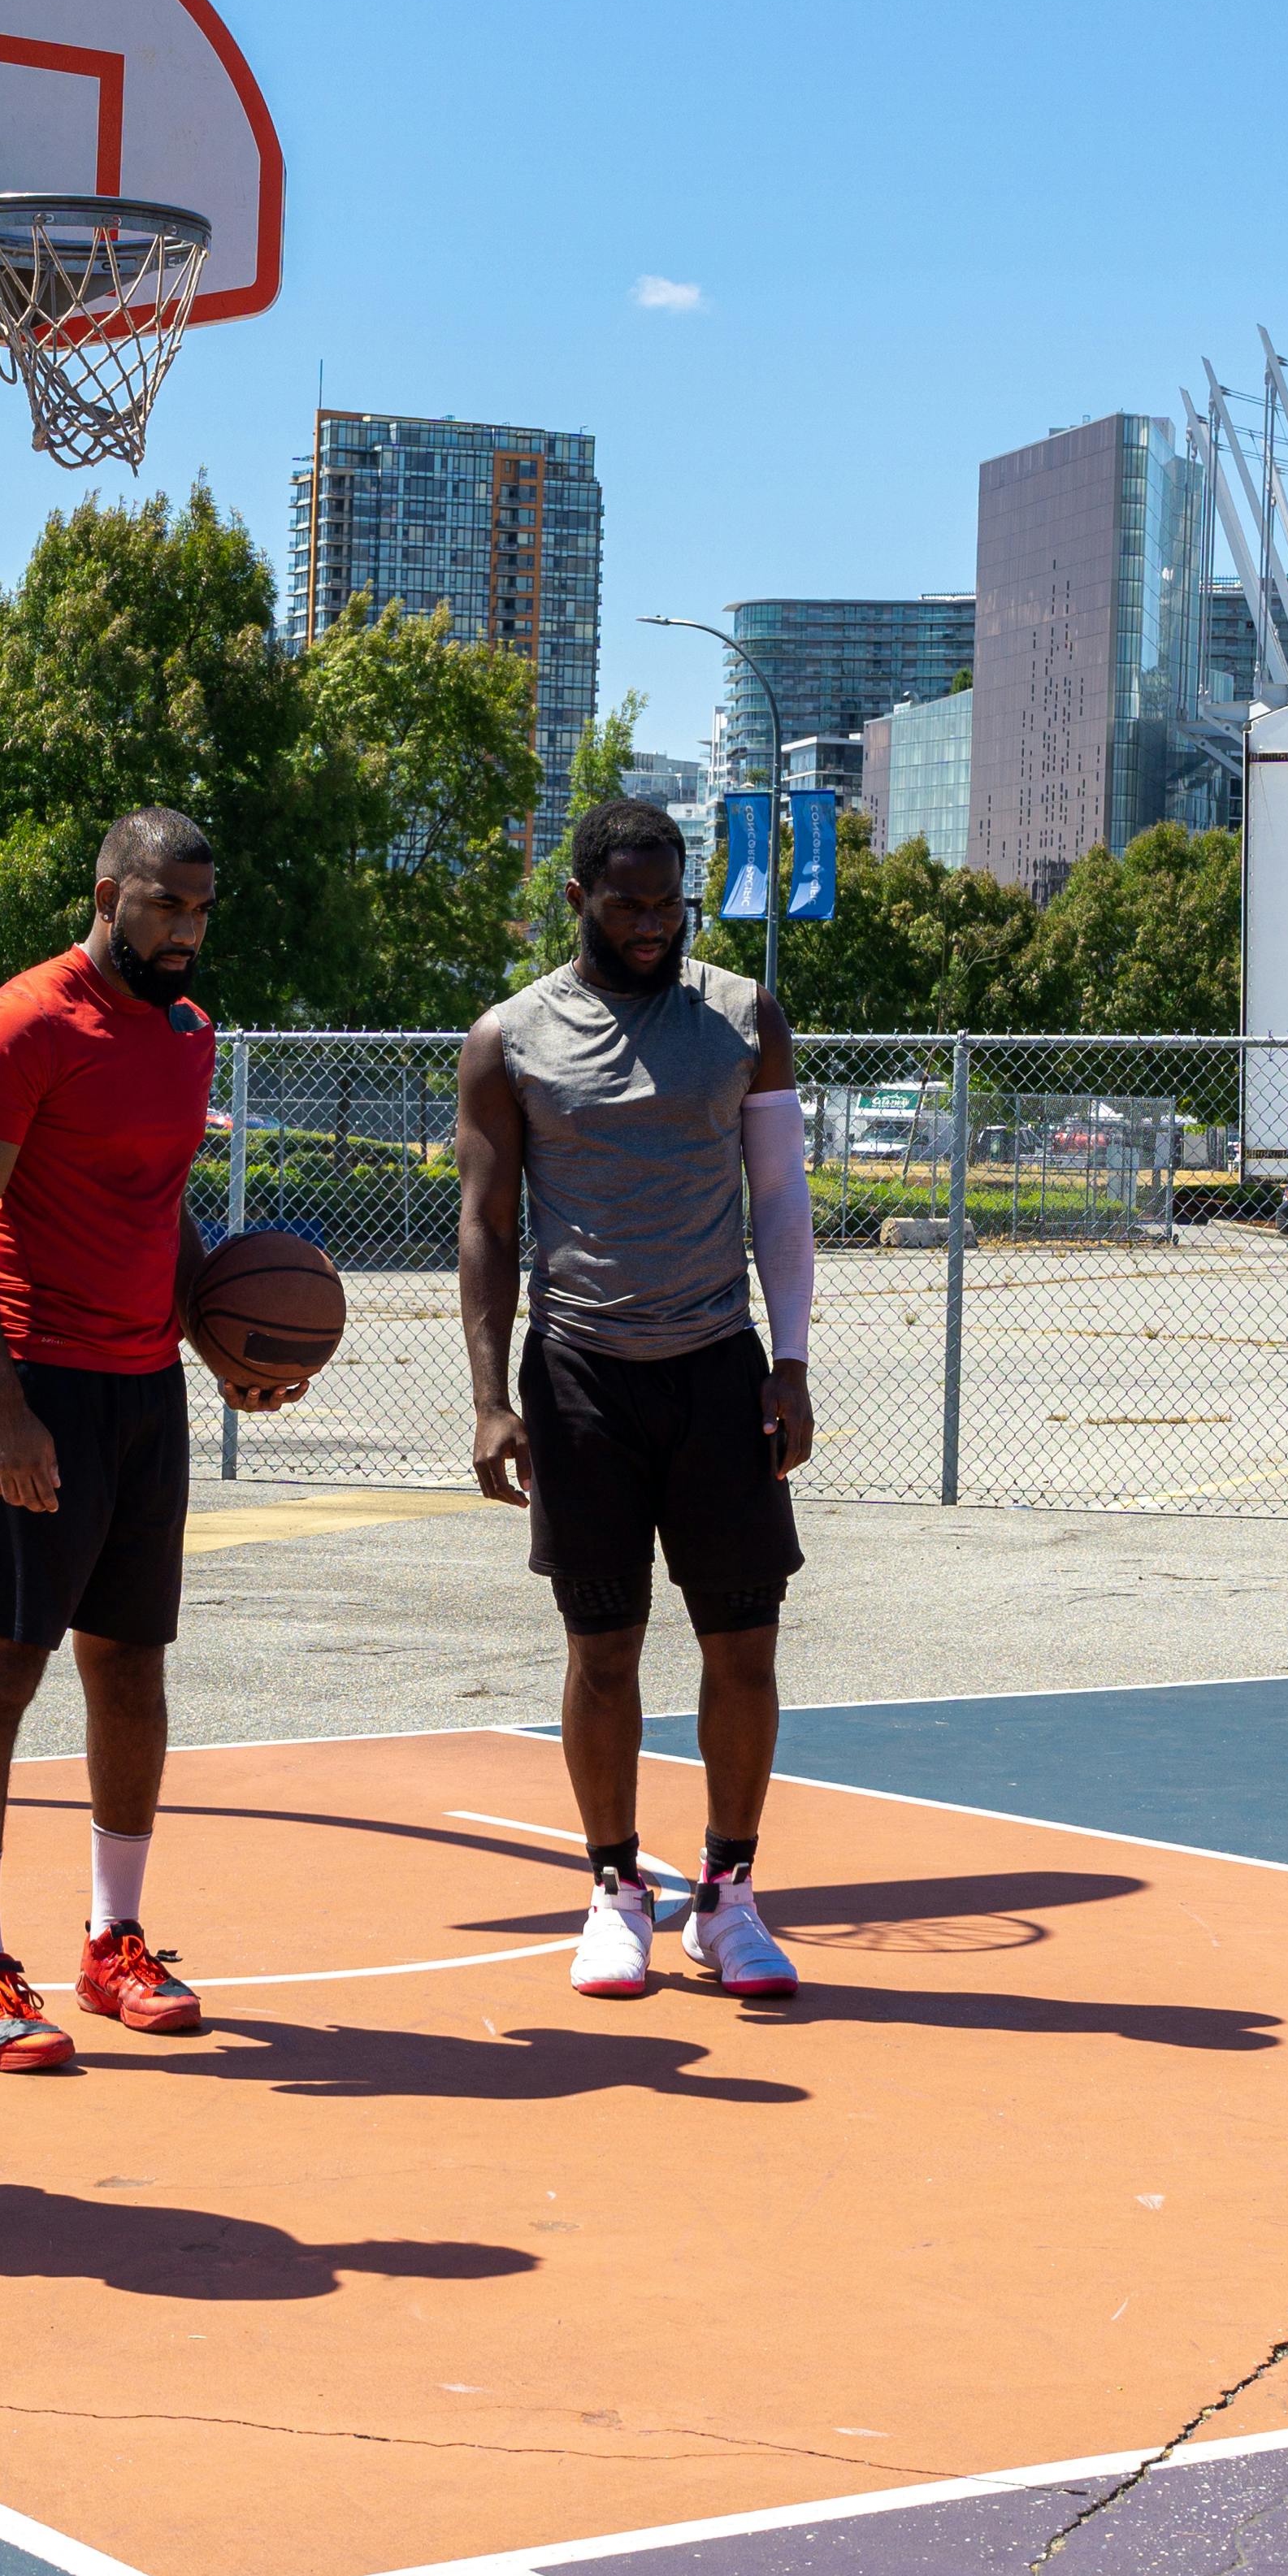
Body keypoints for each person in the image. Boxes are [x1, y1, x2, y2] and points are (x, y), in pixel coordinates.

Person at [0, 809, 304, 2070]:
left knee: (130, 1669)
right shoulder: (25, 1020)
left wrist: (214, 1341)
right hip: (34, 1378)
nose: (186, 931)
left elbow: (158, 1206)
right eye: (164, 907)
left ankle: (113, 1942)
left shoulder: (187, 1038)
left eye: (201, 910)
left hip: (143, 1389)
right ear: (106, 893)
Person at [455, 796, 818, 2006]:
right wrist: (488, 1395)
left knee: (744, 1645)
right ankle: (615, 1889)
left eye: (669, 903)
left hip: (717, 1367)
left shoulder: (741, 1017)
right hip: (579, 1378)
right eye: (627, 904)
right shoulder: (509, 1038)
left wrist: (792, 1362)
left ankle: (728, 1897)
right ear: (578, 900)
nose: (653, 925)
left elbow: (779, 1202)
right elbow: (487, 1225)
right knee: (602, 1652)